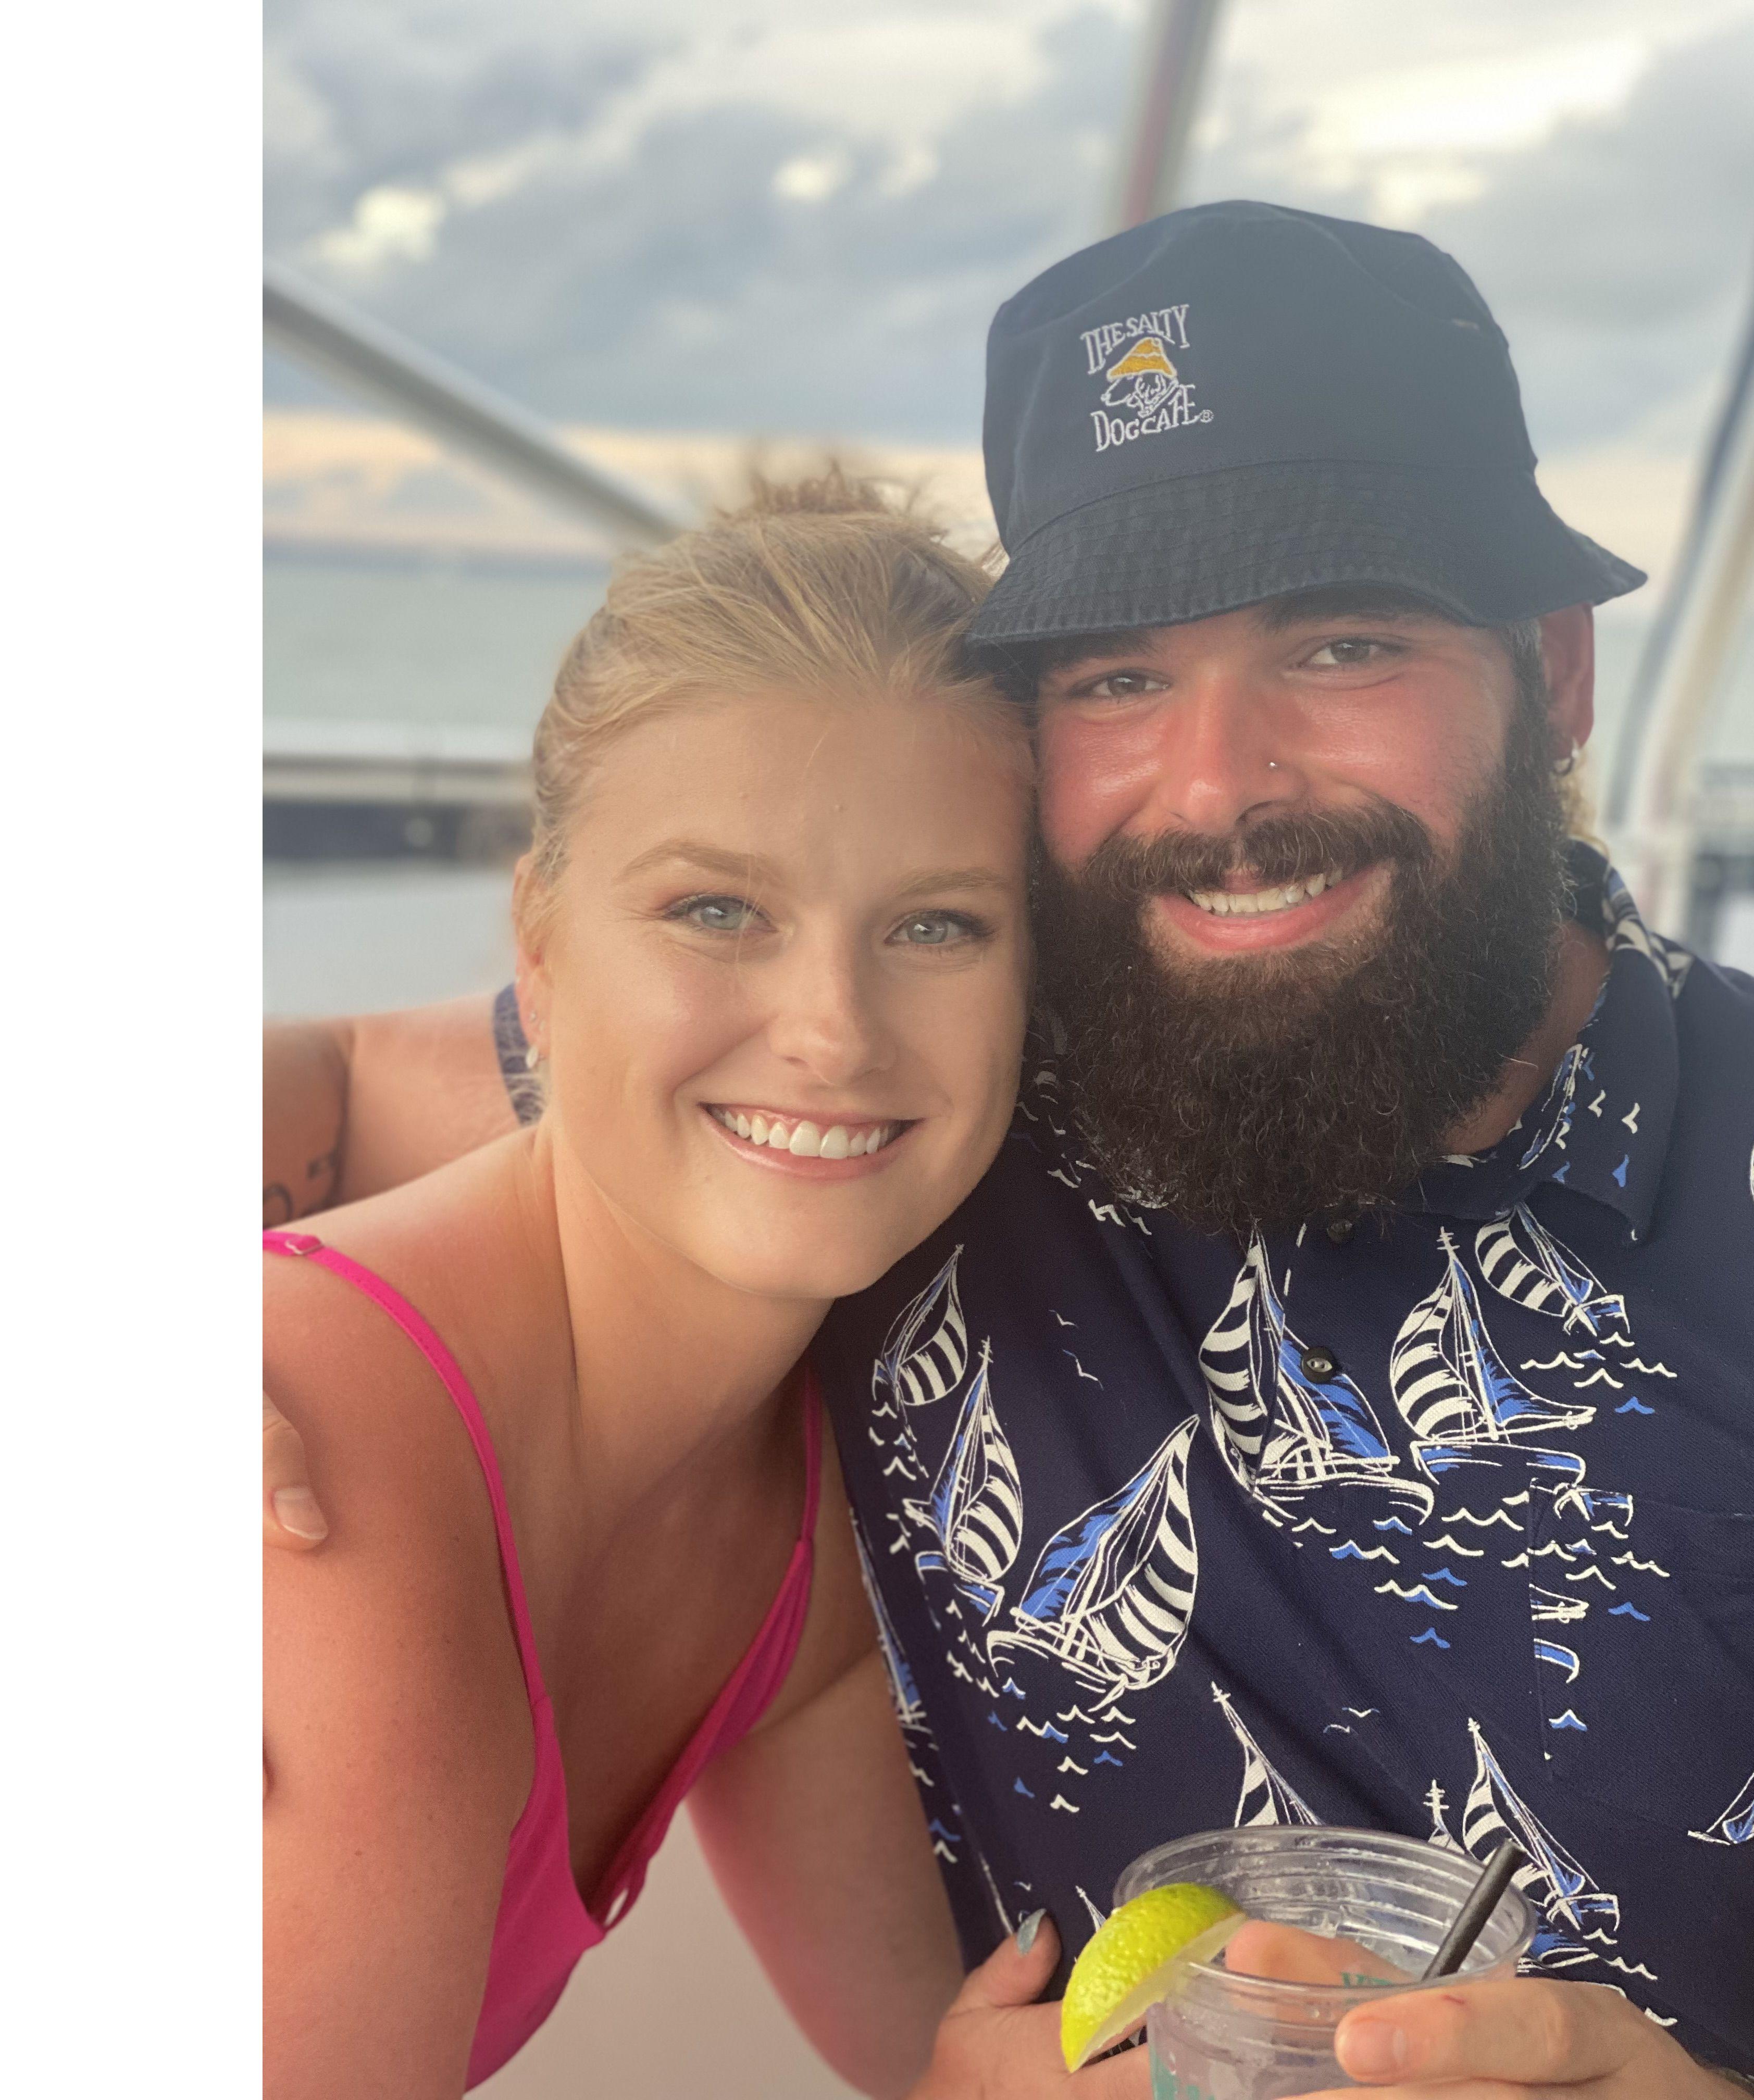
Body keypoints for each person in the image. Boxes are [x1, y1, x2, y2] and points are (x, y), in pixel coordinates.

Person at [265, 205, 1754, 2099]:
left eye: (1342, 640)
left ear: (1558, 673)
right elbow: (341, 1087)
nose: (1219, 787)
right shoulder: (933, 1078)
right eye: (1114, 679)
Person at [263, 476, 1144, 2099]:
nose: (831, 1030)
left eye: (938, 926)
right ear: (542, 947)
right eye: (717, 910)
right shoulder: (307, 1497)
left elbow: (926, 2058)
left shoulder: (793, 1556)